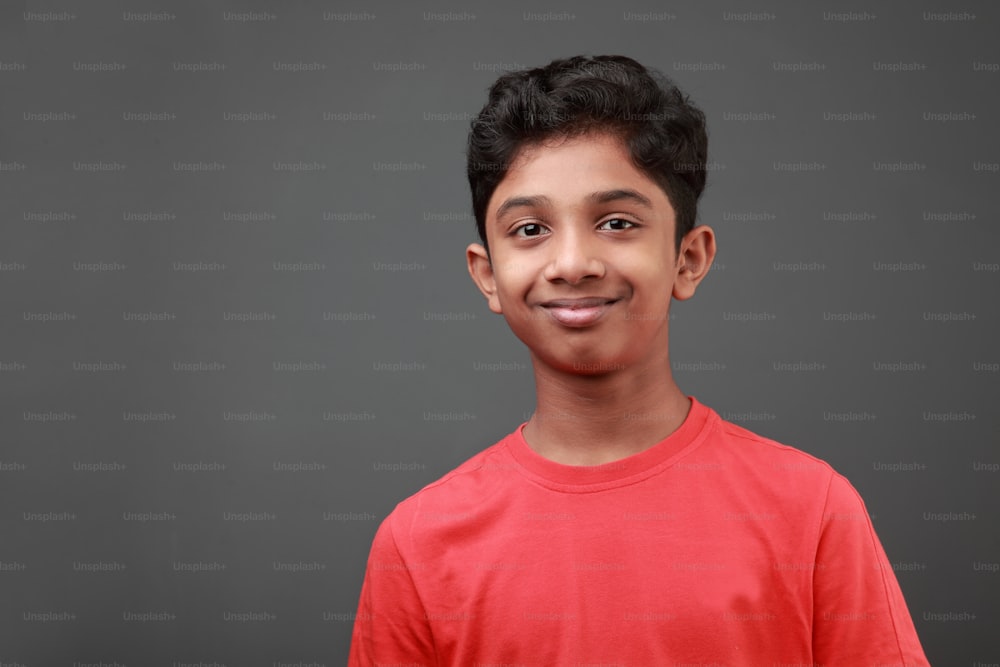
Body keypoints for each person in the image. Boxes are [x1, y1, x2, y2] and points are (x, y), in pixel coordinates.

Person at [348, 54, 929, 666]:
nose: (572, 263)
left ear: (689, 259)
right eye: (529, 230)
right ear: (487, 275)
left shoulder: (811, 510)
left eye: (617, 222)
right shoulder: (418, 542)